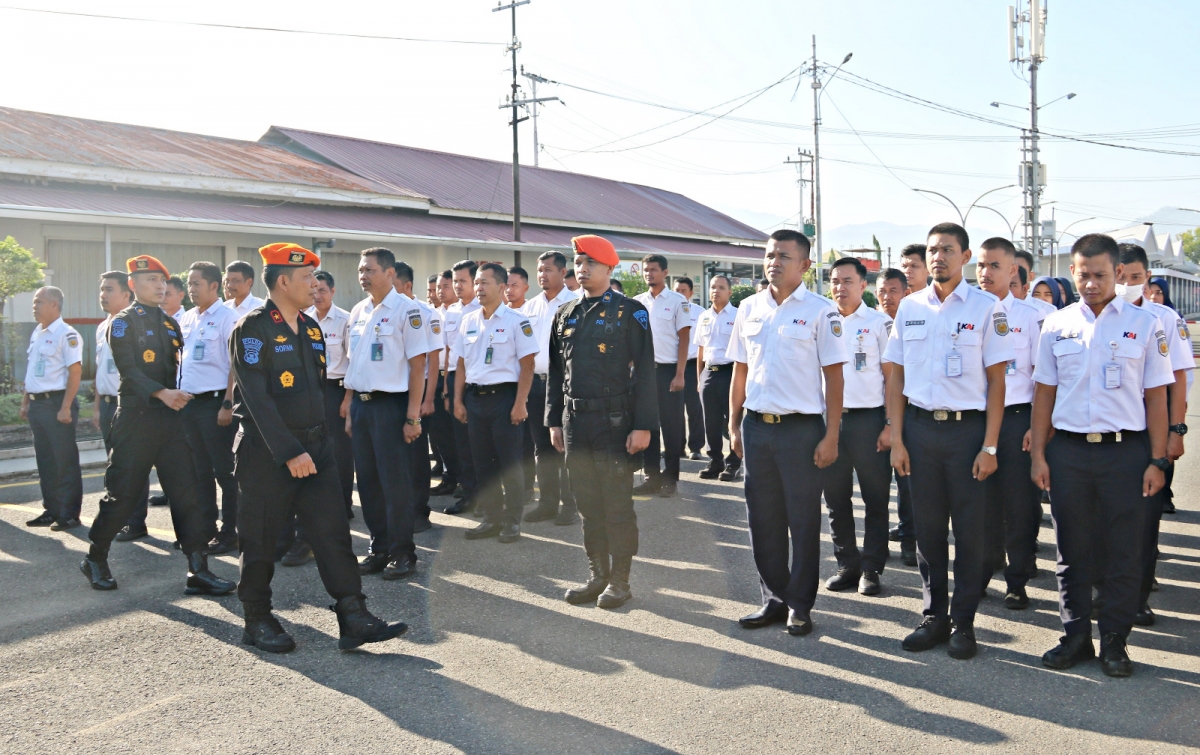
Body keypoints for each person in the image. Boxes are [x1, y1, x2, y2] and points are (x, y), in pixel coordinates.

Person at [231, 242, 408, 653]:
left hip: (317, 449)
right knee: (260, 540)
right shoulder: (253, 328)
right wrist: (290, 451)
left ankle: (353, 615)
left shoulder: (311, 328)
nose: (315, 285)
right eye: (307, 278)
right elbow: (256, 399)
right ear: (282, 281)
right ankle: (256, 618)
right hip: (268, 453)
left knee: (332, 535)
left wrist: (318, 445)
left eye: (315, 277)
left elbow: (318, 393)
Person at [1031, 233, 1172, 678]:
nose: (1091, 283)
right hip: (1069, 451)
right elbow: (1043, 395)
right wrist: (1038, 455)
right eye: (1083, 274)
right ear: (1072, 273)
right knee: (1071, 551)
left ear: (1116, 274)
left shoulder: (1145, 323)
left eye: (1100, 275)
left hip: (1125, 454)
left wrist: (1158, 460)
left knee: (1123, 551)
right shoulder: (1056, 324)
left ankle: (1115, 640)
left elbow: (1157, 400)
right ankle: (1075, 637)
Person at [885, 223, 1013, 660]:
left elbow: (998, 383)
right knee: (928, 530)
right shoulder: (909, 307)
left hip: (968, 432)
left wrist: (990, 446)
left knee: (971, 533)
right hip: (919, 432)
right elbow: (896, 376)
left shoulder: (986, 308)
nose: (938, 257)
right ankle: (934, 615)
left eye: (947, 250)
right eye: (933, 249)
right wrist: (897, 438)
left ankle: (965, 622)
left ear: (966, 256)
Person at [80, 255, 234, 596]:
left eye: (163, 281)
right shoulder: (122, 323)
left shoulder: (169, 324)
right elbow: (129, 371)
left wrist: (173, 397)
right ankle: (95, 557)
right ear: (134, 285)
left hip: (170, 422)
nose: (160, 286)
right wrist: (161, 393)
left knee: (186, 495)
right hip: (136, 420)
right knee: (122, 496)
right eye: (151, 281)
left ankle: (198, 570)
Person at [728, 229, 848, 637]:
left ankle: (800, 604)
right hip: (757, 426)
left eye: (783, 255)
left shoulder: (820, 311)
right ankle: (774, 598)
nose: (773, 261)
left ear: (805, 265)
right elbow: (740, 370)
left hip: (801, 430)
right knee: (762, 519)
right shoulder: (748, 307)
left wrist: (832, 434)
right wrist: (734, 424)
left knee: (801, 519)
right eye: (769, 254)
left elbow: (834, 378)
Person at [547, 235, 657, 609]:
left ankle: (621, 581)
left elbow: (645, 372)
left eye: (590, 262)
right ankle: (597, 575)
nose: (582, 268)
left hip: (614, 422)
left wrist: (643, 425)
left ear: (610, 268)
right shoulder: (566, 314)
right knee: (588, 504)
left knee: (616, 504)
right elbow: (556, 372)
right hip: (575, 422)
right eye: (578, 262)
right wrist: (554, 421)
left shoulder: (631, 312)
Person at [1114, 243, 1191, 624]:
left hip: (1151, 434)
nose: (1128, 285)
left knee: (1144, 521)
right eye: (1122, 277)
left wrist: (1175, 432)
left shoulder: (1163, 318)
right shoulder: (1096, 318)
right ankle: (1105, 591)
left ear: (1147, 278)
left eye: (1136, 278)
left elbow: (1178, 378)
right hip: (1112, 433)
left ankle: (1138, 596)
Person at [343, 248, 429, 581]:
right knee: (367, 482)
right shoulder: (359, 310)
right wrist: (351, 408)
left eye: (370, 270)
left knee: (395, 483)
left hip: (391, 406)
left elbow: (417, 365)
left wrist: (412, 417)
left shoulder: (407, 311)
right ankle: (378, 548)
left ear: (390, 274)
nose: (363, 275)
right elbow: (355, 362)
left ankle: (402, 553)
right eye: (360, 269)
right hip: (362, 406)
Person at [974, 238, 1044, 610]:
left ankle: (1018, 578)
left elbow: (1042, 379)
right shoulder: (967, 311)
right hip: (976, 421)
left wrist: (1037, 426)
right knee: (981, 505)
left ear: (1013, 270)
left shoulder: (1031, 317)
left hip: (1018, 419)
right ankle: (981, 572)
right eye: (981, 265)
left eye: (995, 266)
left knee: (1019, 505)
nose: (985, 273)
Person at [823, 257, 893, 597]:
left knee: (876, 498)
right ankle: (847, 565)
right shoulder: (822, 319)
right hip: (831, 421)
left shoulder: (879, 323)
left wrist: (890, 424)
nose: (840, 287)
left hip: (870, 420)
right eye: (835, 281)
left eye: (848, 281)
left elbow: (893, 378)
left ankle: (871, 569)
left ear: (863, 285)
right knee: (836, 498)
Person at [454, 263, 538, 542]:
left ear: (502, 288)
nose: (478, 288)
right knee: (482, 464)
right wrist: (458, 400)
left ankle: (512, 521)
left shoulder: (517, 321)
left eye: (484, 283)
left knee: (509, 463)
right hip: (475, 399)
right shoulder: (468, 321)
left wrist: (520, 403)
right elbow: (462, 365)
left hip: (505, 399)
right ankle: (491, 518)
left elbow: (528, 366)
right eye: (476, 282)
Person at [282, 271, 353, 568]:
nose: (318, 295)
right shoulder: (303, 321)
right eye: (315, 290)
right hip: (311, 392)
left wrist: (348, 399)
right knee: (311, 452)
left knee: (339, 453)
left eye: (323, 289)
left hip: (337, 391)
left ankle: (343, 506)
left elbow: (352, 361)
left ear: (333, 291)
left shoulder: (345, 320)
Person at [178, 261, 240, 555]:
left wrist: (228, 403)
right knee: (199, 472)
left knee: (225, 472)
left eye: (196, 284)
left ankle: (231, 532)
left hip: (216, 404)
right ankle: (206, 529)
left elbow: (235, 366)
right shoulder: (187, 318)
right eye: (189, 284)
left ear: (214, 286)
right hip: (189, 405)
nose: (191, 289)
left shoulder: (228, 318)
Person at [522, 251, 581, 525]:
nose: (542, 274)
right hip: (536, 385)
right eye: (540, 270)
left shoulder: (576, 303)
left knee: (566, 446)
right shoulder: (530, 307)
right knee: (542, 446)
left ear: (562, 272)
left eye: (548, 269)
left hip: (565, 386)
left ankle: (570, 505)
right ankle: (547, 503)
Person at [94, 273, 153, 542]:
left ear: (126, 295)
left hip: (129, 406)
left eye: (109, 290)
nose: (103, 295)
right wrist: (97, 407)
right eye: (101, 290)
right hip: (107, 404)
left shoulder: (136, 325)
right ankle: (122, 518)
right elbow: (100, 372)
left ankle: (136, 521)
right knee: (115, 467)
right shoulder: (102, 326)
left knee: (133, 465)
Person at [20, 286, 84, 531]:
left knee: (64, 460)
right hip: (38, 405)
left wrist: (66, 407)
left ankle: (70, 513)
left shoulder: (67, 334)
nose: (34, 306)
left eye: (39, 302)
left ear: (54, 305)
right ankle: (52, 509)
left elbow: (75, 372)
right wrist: (26, 401)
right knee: (46, 460)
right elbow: (31, 370)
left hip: (57, 403)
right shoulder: (38, 332)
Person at [633, 254, 692, 497]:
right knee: (648, 424)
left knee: (671, 426)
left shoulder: (678, 301)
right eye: (646, 270)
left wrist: (680, 374)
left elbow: (684, 339)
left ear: (665, 273)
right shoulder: (636, 302)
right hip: (644, 373)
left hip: (669, 371)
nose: (649, 274)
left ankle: (671, 479)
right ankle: (652, 476)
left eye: (654, 270)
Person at [394, 261, 443, 533]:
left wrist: (428, 398)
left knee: (416, 456)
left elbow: (432, 362)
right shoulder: (378, 310)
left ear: (406, 285)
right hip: (392, 391)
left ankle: (419, 511)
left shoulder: (426, 313)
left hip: (418, 389)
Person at [876, 268, 916, 565]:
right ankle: (876, 548)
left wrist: (893, 422)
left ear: (906, 293)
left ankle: (910, 539)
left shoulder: (914, 324)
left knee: (907, 483)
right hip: (870, 414)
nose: (887, 297)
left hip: (903, 414)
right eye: (882, 291)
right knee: (875, 487)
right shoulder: (868, 323)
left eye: (893, 291)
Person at [442, 260, 482, 514]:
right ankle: (469, 493)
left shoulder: (483, 309)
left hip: (477, 379)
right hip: (454, 378)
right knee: (462, 442)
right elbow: (448, 351)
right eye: (454, 281)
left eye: (462, 281)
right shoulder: (451, 311)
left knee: (480, 442)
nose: (457, 286)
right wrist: (447, 390)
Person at [144, 275, 187, 511]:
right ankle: (167, 491)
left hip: (179, 395)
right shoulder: (152, 322)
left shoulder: (183, 321)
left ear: (181, 296)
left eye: (168, 293)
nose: (163, 297)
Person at [694, 275, 740, 481]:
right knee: (710, 421)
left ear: (729, 292)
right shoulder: (704, 317)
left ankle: (733, 463)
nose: (716, 291)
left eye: (721, 287)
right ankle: (715, 461)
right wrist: (699, 379)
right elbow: (701, 352)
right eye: (713, 287)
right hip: (709, 373)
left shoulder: (738, 316)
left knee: (732, 420)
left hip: (731, 372)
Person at [427, 270, 460, 497]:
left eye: (446, 285)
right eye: (439, 286)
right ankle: (449, 477)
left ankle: (465, 480)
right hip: (435, 377)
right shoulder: (432, 313)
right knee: (440, 434)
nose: (441, 290)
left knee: (459, 434)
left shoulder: (466, 313)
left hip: (457, 377)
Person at [505, 266, 537, 497]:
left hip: (528, 383)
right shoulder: (498, 313)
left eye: (514, 285)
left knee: (528, 439)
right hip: (505, 386)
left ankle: (526, 487)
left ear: (525, 287)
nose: (509, 290)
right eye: (506, 285)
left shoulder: (530, 312)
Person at [674, 277, 706, 461]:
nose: (680, 294)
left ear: (691, 293)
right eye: (677, 290)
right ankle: (678, 447)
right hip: (674, 363)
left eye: (683, 290)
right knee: (675, 408)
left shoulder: (700, 313)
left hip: (693, 365)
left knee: (694, 408)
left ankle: (696, 447)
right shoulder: (669, 310)